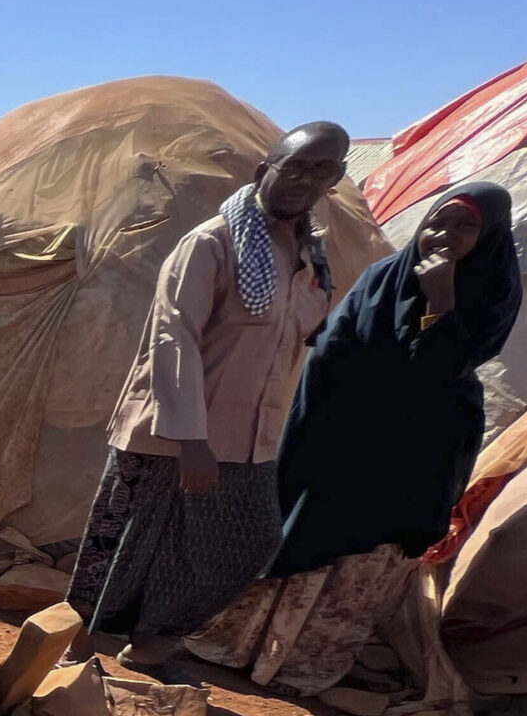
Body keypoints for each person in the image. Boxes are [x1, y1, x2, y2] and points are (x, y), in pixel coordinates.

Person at [190, 183, 523, 693]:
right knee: (298, 535)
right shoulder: (383, 276)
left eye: (466, 226)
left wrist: (441, 301)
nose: (446, 233)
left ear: (489, 235)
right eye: (440, 219)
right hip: (342, 435)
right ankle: (234, 647)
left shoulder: (493, 289)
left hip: (415, 451)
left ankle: (303, 670)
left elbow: (445, 369)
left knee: (362, 560)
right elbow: (330, 353)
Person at [65, 122, 350, 672]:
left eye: (321, 170)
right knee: (126, 546)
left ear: (335, 178)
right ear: (265, 171)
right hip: (175, 433)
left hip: (251, 439)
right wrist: (190, 438)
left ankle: (153, 639)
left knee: (248, 542)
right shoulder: (212, 242)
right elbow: (174, 337)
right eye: (293, 167)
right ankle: (71, 652)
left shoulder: (312, 255)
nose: (303, 180)